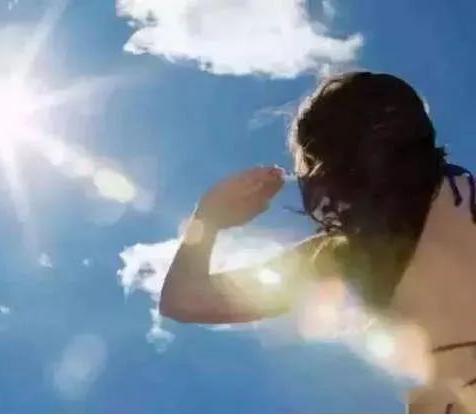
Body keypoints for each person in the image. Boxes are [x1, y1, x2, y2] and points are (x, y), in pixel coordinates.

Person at [160, 72, 476, 413]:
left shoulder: (342, 255)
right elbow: (184, 301)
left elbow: (186, 300)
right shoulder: (344, 254)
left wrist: (208, 221)